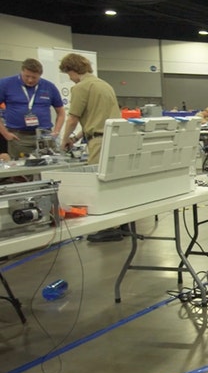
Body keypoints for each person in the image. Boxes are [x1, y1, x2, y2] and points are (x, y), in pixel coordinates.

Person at [59, 53, 124, 242]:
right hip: (115, 138)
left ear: (72, 70)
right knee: (115, 182)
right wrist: (77, 137)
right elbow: (98, 117)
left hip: (99, 142)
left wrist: (65, 140)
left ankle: (106, 227)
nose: (70, 78)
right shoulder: (105, 85)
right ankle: (121, 222)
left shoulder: (80, 87)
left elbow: (73, 118)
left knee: (98, 184)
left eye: (68, 74)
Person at [0, 58, 65, 159]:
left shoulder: (49, 86)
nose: (30, 80)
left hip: (44, 135)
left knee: (48, 165)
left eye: (34, 77)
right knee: (20, 167)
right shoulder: (5, 84)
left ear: (40, 75)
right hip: (19, 136)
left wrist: (56, 131)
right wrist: (5, 133)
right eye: (27, 76)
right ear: (22, 71)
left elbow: (60, 111)